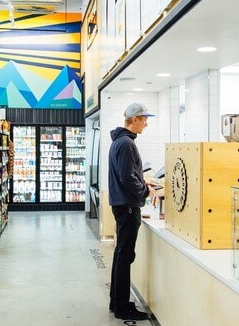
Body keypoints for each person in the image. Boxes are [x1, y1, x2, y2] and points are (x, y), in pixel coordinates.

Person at [108, 103, 155, 321]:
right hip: (127, 207)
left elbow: (126, 175)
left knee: (120, 254)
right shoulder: (126, 144)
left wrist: (141, 182)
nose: (146, 123)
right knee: (125, 256)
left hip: (121, 205)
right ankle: (122, 308)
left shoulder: (119, 141)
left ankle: (116, 301)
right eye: (144, 119)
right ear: (134, 119)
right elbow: (128, 178)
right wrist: (145, 190)